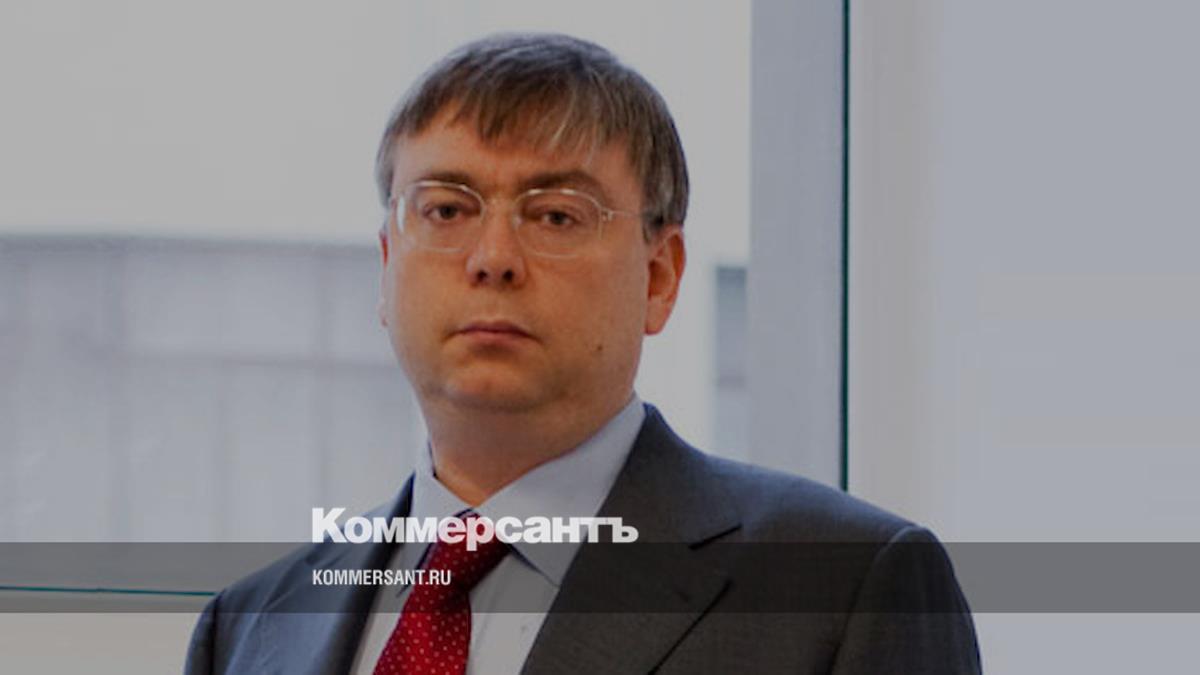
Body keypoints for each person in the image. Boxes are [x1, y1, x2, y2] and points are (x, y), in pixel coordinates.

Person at [185, 32, 980, 674]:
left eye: (556, 215)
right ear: (387, 264)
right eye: (447, 209)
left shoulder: (845, 587)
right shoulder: (252, 625)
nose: (493, 257)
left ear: (660, 277)